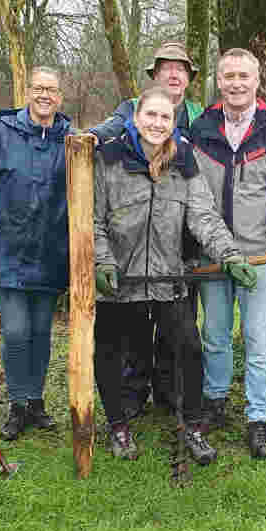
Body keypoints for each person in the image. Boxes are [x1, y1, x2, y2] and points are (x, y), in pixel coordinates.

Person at [91, 86, 252, 467]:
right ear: (136, 118)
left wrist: (229, 254)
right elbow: (92, 220)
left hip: (168, 278)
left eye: (166, 117)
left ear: (174, 122)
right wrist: (102, 262)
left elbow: (203, 216)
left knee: (189, 349)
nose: (158, 124)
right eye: (151, 115)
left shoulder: (184, 162)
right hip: (120, 280)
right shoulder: (107, 159)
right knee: (112, 352)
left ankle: (194, 427)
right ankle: (118, 425)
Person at [187, 48, 266, 458]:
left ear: (257, 81)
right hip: (212, 255)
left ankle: (259, 418)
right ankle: (215, 404)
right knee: (215, 336)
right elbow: (190, 194)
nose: (236, 83)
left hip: (260, 256)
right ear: (218, 81)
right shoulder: (201, 128)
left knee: (258, 340)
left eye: (244, 76)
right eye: (229, 76)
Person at [91, 42, 206, 420]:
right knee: (133, 335)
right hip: (130, 255)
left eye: (181, 69)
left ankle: (171, 396)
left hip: (178, 254)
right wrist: (89, 140)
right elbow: (101, 135)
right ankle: (131, 399)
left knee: (180, 337)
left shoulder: (198, 117)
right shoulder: (126, 115)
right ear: (153, 77)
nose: (174, 75)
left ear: (189, 78)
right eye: (166, 68)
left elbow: (201, 200)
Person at [0, 66, 71, 441]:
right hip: (7, 250)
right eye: (39, 88)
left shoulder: (72, 140)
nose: (45, 95)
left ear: (61, 96)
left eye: (52, 90)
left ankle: (36, 402)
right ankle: (17, 404)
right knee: (16, 331)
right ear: (26, 91)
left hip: (51, 252)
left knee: (41, 332)